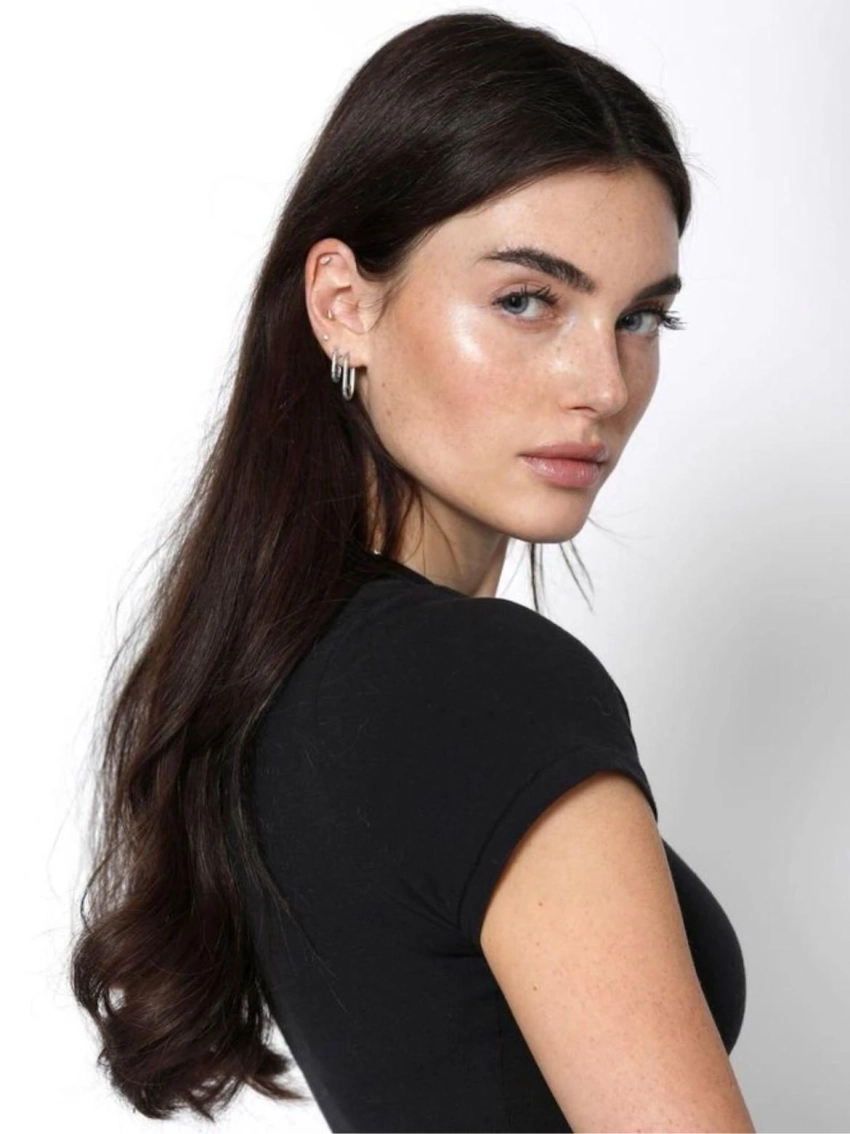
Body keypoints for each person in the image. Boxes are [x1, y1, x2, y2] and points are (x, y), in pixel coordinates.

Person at [70, 10, 756, 1132]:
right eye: (527, 300)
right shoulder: (482, 686)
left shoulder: (283, 675)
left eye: (640, 318)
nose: (604, 384)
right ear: (344, 306)